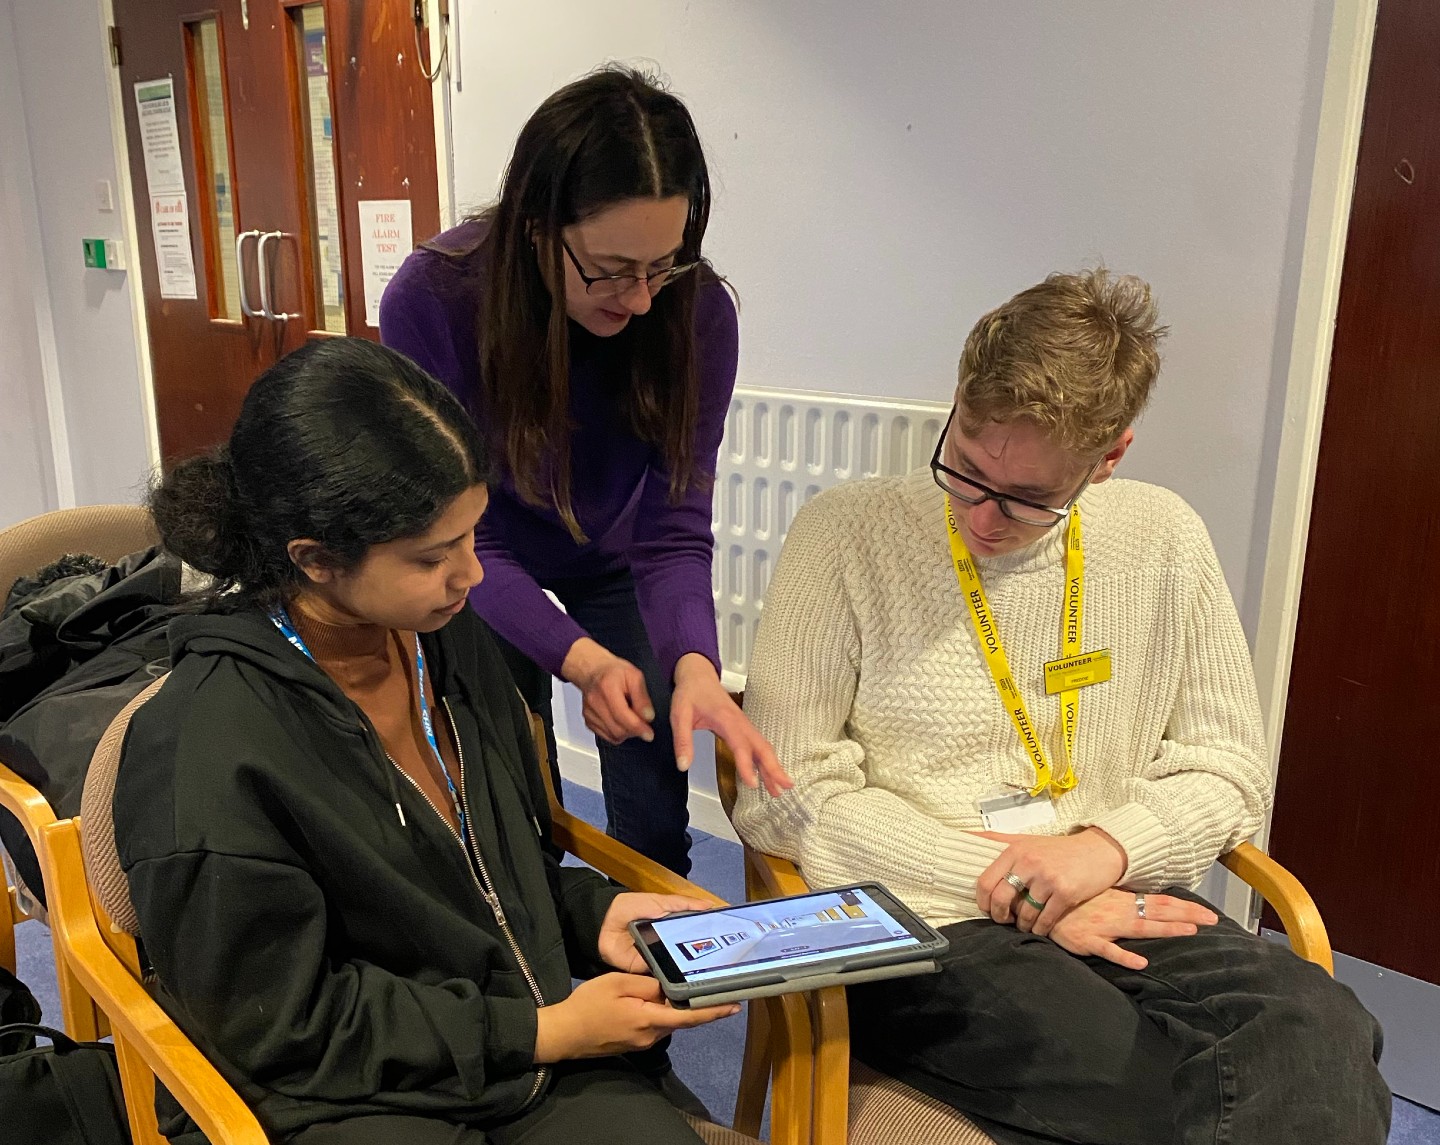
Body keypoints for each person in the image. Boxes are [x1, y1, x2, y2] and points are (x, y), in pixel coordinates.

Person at [732, 270, 1389, 1144]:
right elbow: (783, 791)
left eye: (1029, 499)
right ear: (957, 399)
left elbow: (1229, 768)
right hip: (929, 915)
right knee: (1159, 1087)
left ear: (1109, 456)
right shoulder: (843, 534)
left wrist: (1100, 853)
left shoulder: (1163, 536)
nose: (982, 518)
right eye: (964, 467)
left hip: (1123, 893)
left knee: (1328, 1035)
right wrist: (1023, 887)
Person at [114, 339, 741, 1145]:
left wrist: (597, 913)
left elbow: (491, 872)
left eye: (475, 538)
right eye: (432, 556)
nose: (472, 576)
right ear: (315, 560)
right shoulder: (207, 744)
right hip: (333, 1094)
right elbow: (276, 1026)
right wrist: (538, 1032)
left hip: (514, 1043)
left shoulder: (442, 639)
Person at [380, 66, 788, 876]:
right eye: (608, 268)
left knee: (656, 805)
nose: (639, 299)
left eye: (662, 264)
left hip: (618, 554)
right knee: (504, 795)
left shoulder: (696, 312)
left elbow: (674, 529)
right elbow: (472, 539)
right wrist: (578, 657)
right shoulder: (434, 299)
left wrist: (696, 664)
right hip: (474, 555)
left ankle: (652, 973)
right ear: (537, 226)